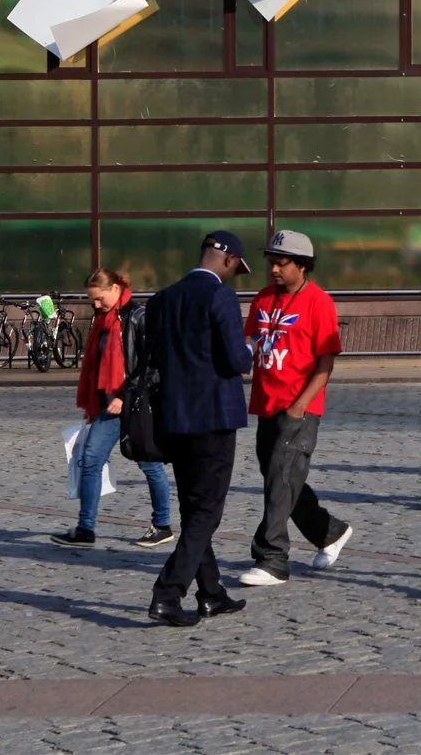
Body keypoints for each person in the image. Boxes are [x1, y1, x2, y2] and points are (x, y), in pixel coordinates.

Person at [142, 230, 255, 627]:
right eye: (236, 269)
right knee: (207, 511)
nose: (234, 275)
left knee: (193, 508)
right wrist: (252, 349)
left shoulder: (163, 298)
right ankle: (167, 593)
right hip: (213, 417)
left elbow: (153, 355)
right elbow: (236, 360)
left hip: (174, 417)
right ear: (228, 260)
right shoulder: (220, 296)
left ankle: (211, 593)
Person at [237, 230, 352, 587]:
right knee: (280, 478)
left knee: (281, 478)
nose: (273, 269)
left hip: (299, 407)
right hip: (266, 404)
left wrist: (301, 406)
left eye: (281, 263)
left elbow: (325, 363)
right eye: (271, 262)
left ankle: (272, 559)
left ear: (302, 265)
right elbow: (250, 340)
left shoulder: (319, 302)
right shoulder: (263, 297)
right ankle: (329, 531)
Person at [50, 269, 174, 549]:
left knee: (149, 463)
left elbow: (152, 365)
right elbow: (96, 366)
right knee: (90, 459)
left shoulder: (138, 316)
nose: (95, 304)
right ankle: (85, 529)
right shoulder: (103, 320)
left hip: (135, 404)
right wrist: (96, 400)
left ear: (116, 289)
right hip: (109, 406)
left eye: (99, 298)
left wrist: (125, 395)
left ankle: (162, 525)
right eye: (92, 300)